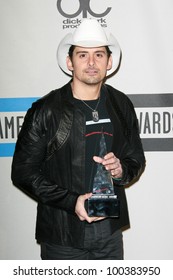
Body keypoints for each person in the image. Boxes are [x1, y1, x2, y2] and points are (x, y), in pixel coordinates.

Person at [11, 19, 145, 260]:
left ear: (110, 62)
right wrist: (73, 202)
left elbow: (136, 159)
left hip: (110, 235)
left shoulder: (121, 104)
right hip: (62, 236)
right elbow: (23, 172)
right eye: (83, 55)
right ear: (69, 62)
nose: (92, 63)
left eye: (99, 55)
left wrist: (121, 170)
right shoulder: (46, 110)